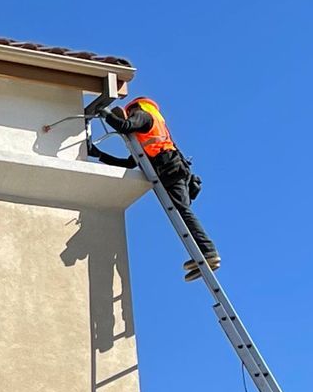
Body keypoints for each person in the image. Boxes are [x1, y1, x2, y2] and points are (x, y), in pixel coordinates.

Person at [91, 96, 221, 279]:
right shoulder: (150, 129)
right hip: (174, 169)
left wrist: (106, 114)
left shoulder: (143, 115)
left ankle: (208, 252)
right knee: (182, 214)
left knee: (182, 212)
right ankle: (202, 254)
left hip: (171, 169)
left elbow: (124, 127)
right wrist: (98, 154)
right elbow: (129, 163)